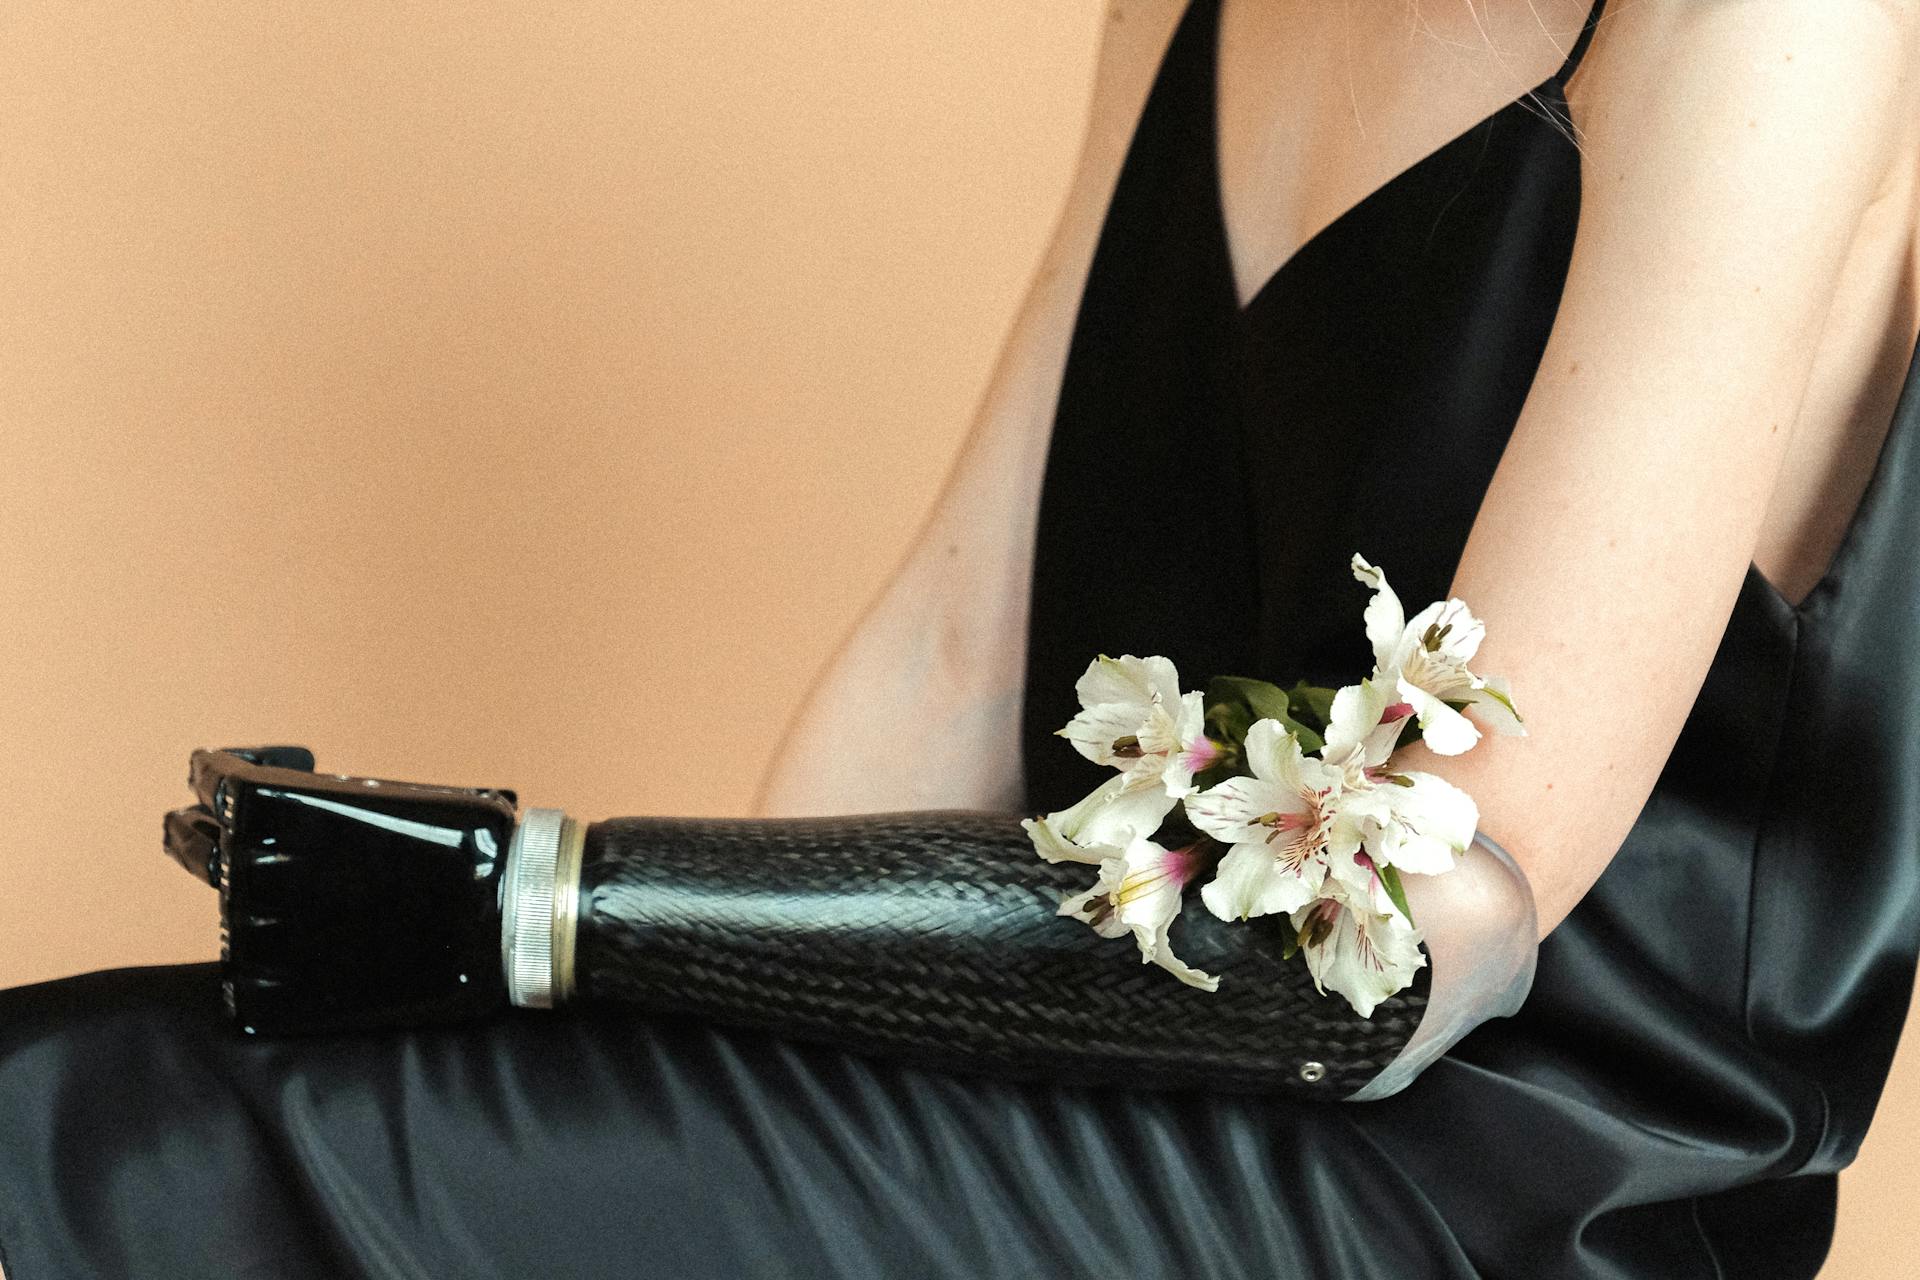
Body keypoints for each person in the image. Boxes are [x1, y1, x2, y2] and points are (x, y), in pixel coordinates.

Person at [2, 1, 1917, 1276]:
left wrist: (543, 911)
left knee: (123, 1143)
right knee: (107, 1101)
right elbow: (946, 664)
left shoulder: (1777, 28)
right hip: (1085, 1087)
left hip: (1486, 1195)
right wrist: (574, 995)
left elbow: (1424, 931)